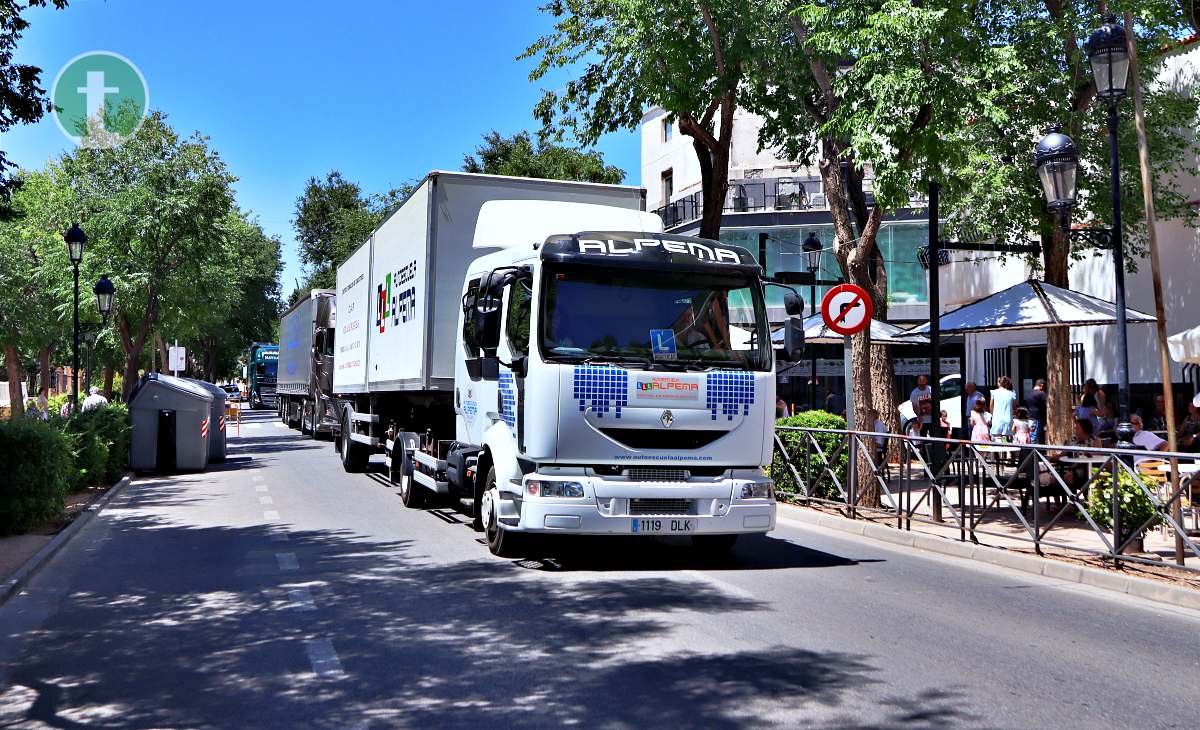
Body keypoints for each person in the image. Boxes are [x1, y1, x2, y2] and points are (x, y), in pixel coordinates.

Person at [1024, 379, 1047, 444]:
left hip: (1030, 417)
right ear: (1041, 385)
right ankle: (1035, 453)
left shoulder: (1029, 393)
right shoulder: (1041, 393)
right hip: (1038, 418)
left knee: (1032, 436)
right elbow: (1047, 404)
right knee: (1038, 437)